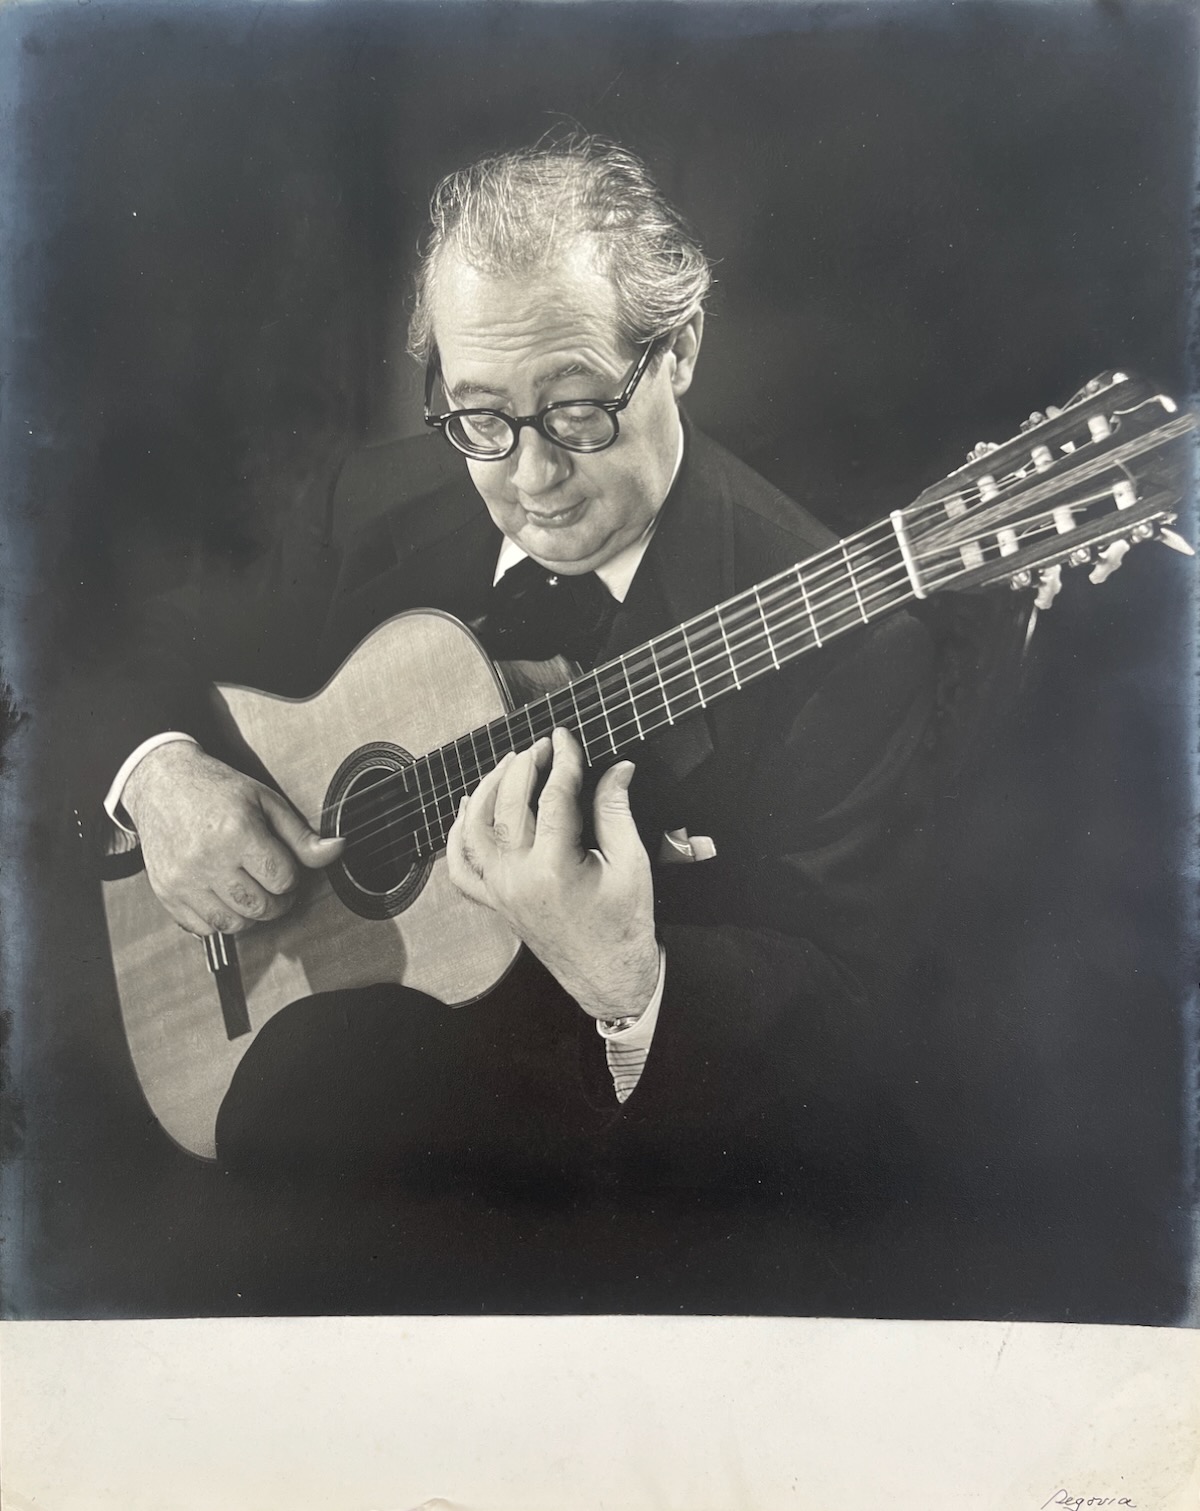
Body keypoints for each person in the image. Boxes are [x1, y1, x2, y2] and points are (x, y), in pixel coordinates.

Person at [74, 137, 942, 1200]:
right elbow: (121, 647)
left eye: (578, 409)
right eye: (480, 415)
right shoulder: (371, 503)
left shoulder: (857, 650)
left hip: (608, 1200)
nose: (533, 476)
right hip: (315, 1134)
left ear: (678, 350)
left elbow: (861, 1040)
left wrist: (634, 984)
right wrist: (158, 772)